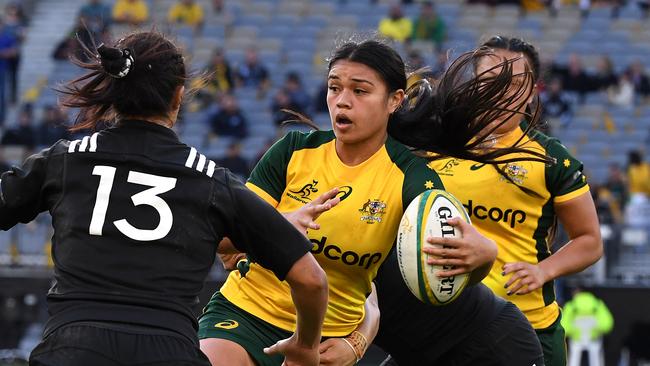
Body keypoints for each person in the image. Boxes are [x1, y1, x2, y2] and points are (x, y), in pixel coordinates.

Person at [199, 38, 550, 366]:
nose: (342, 100)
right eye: (334, 88)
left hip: (467, 344)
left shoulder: (411, 181)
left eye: (359, 90)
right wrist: (275, 227)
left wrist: (484, 255)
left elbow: (386, 286)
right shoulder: (293, 153)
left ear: (395, 100)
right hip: (255, 317)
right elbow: (226, 240)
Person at [0, 31, 329, 366]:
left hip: (73, 348)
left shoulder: (66, 160)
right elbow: (312, 279)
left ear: (112, 91)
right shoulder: (211, 181)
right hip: (169, 351)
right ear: (178, 96)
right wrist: (305, 345)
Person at [423, 36, 603, 366]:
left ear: (533, 93)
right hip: (445, 325)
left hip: (527, 326)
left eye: (515, 83)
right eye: (490, 80)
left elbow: (590, 241)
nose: (501, 91)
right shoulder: (436, 145)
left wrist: (542, 271)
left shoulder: (551, 159)